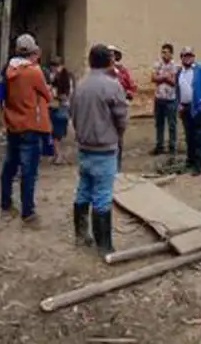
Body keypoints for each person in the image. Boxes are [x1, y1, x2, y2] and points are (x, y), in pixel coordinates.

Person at [70, 44, 129, 255]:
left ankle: (80, 234)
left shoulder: (80, 85)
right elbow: (121, 118)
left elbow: (73, 114)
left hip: (84, 148)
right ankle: (104, 245)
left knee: (84, 190)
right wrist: (116, 135)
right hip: (105, 149)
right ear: (110, 61)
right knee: (103, 196)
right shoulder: (113, 86)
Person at [0, 33, 52, 227]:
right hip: (30, 125)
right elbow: (46, 95)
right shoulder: (34, 71)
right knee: (28, 171)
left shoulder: (9, 69)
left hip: (13, 123)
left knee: (9, 166)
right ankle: (28, 212)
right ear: (32, 52)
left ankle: (6, 204)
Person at [175, 47, 201, 176]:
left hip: (197, 107)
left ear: (193, 57)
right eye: (185, 56)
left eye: (190, 55)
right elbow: (177, 90)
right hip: (185, 108)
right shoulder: (179, 72)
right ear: (181, 57)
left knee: (199, 136)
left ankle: (198, 164)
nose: (188, 58)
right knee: (189, 136)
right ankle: (190, 161)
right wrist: (179, 103)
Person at [151, 43, 180, 156]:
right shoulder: (157, 64)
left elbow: (175, 82)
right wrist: (166, 77)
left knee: (172, 124)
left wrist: (162, 78)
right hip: (159, 98)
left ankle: (172, 147)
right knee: (159, 123)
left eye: (166, 52)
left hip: (171, 99)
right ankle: (159, 146)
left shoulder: (176, 66)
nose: (164, 55)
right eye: (162, 52)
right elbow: (153, 78)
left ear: (171, 54)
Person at [48, 56, 73, 165]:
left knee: (57, 133)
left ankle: (58, 155)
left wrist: (55, 94)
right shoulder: (57, 75)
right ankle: (58, 154)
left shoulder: (64, 76)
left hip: (60, 106)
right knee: (56, 133)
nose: (54, 69)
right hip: (57, 106)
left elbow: (65, 94)